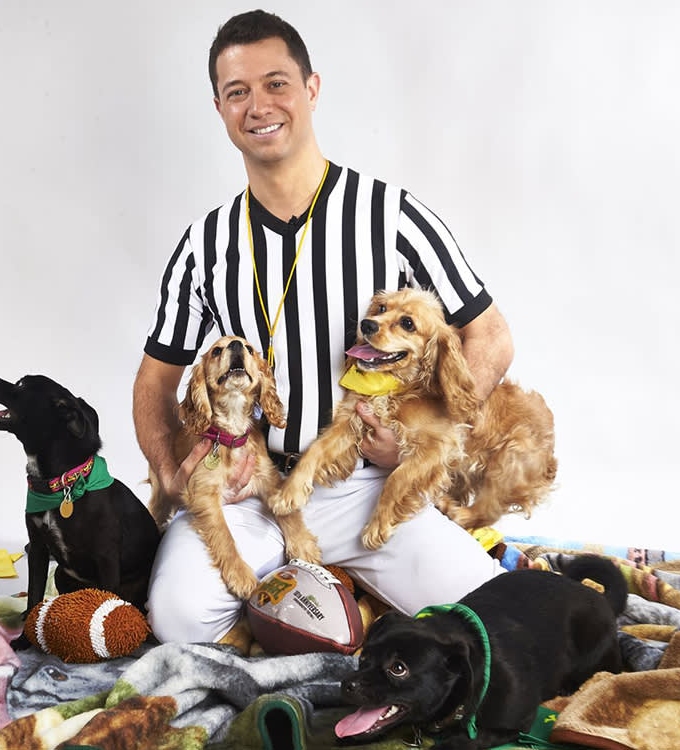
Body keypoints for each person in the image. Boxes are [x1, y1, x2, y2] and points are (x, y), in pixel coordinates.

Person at [134, 9, 515, 644]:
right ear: (220, 107)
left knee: (492, 617)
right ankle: (317, 595)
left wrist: (419, 437)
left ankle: (340, 591)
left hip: (358, 485)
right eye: (238, 92)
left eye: (276, 83)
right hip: (250, 487)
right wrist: (174, 477)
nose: (259, 105)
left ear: (311, 88)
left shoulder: (390, 215)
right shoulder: (205, 242)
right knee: (177, 616)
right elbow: (154, 381)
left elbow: (491, 337)